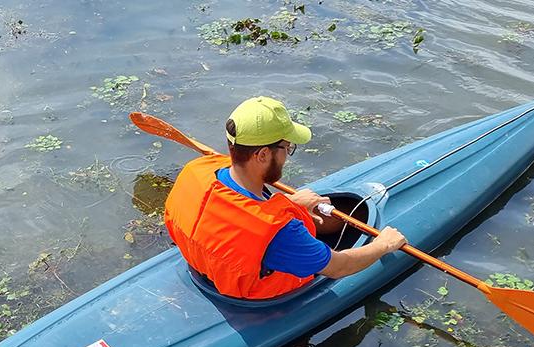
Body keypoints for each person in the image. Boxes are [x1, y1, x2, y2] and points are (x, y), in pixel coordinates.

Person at [163, 96, 407, 300]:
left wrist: (291, 207)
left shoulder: (195, 172)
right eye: (286, 148)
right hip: (257, 295)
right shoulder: (281, 234)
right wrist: (383, 245)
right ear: (261, 154)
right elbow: (339, 267)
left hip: (207, 268)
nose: (287, 156)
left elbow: (234, 218)